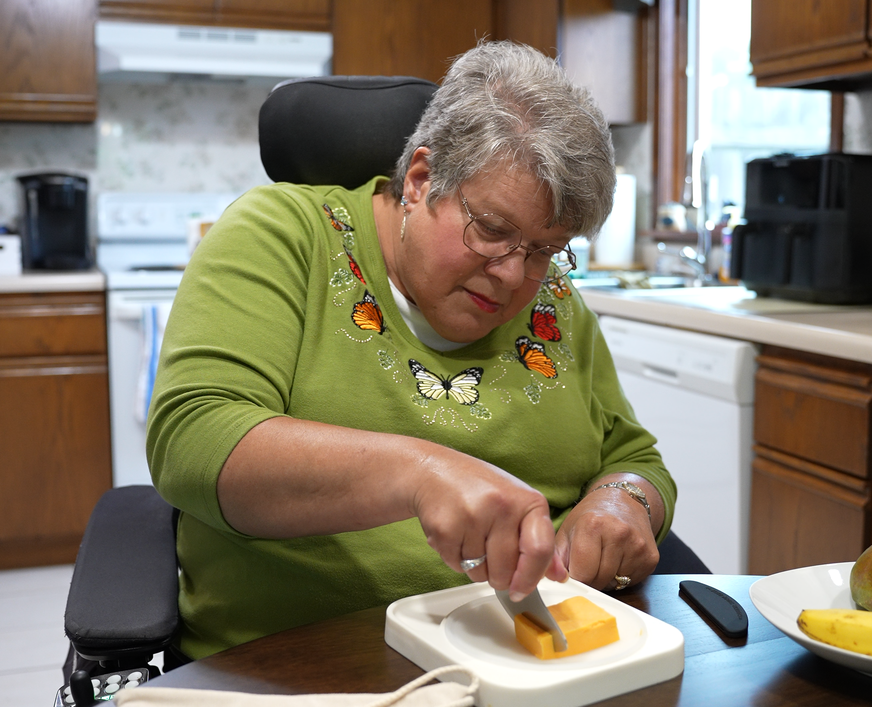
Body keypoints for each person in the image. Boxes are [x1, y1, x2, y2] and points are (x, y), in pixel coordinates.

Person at [146, 40, 677, 661]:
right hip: (310, 668)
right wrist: (419, 474)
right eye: (494, 231)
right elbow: (193, 441)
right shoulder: (281, 236)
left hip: (532, 666)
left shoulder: (551, 299)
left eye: (543, 249)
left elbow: (633, 455)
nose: (514, 276)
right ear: (421, 179)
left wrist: (625, 498)